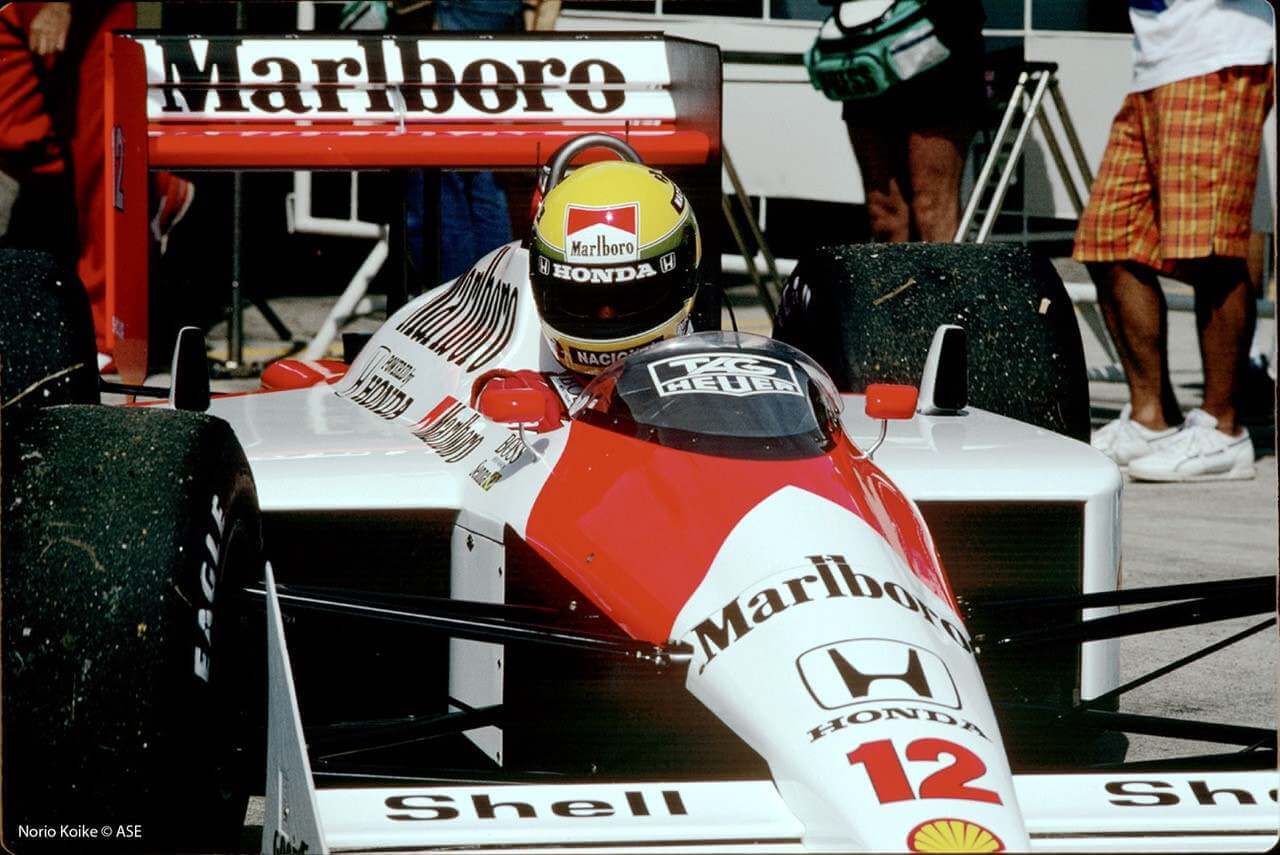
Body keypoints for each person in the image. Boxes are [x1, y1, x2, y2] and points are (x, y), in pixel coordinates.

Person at [1078, 0, 1274, 482]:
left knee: (1209, 246)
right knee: (1110, 239)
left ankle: (1223, 430)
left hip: (1218, 54)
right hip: (1154, 62)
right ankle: (1152, 420)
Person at [470, 159, 702, 431]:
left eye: (631, 296)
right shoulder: (535, 393)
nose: (606, 314)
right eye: (582, 299)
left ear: (685, 275)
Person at [836, 0, 986, 243]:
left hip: (938, 44)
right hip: (867, 47)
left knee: (931, 209)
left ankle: (942, 270)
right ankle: (894, 270)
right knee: (883, 212)